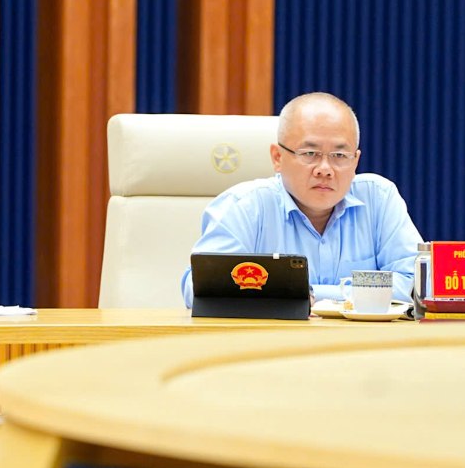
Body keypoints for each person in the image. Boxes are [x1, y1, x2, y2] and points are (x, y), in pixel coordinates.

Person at [180, 92, 421, 308]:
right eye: (310, 153)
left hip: (362, 342)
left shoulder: (378, 199)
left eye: (339, 155)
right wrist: (356, 293)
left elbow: (416, 284)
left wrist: (311, 293)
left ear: (355, 161)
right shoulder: (243, 207)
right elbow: (200, 289)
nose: (325, 169)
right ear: (277, 157)